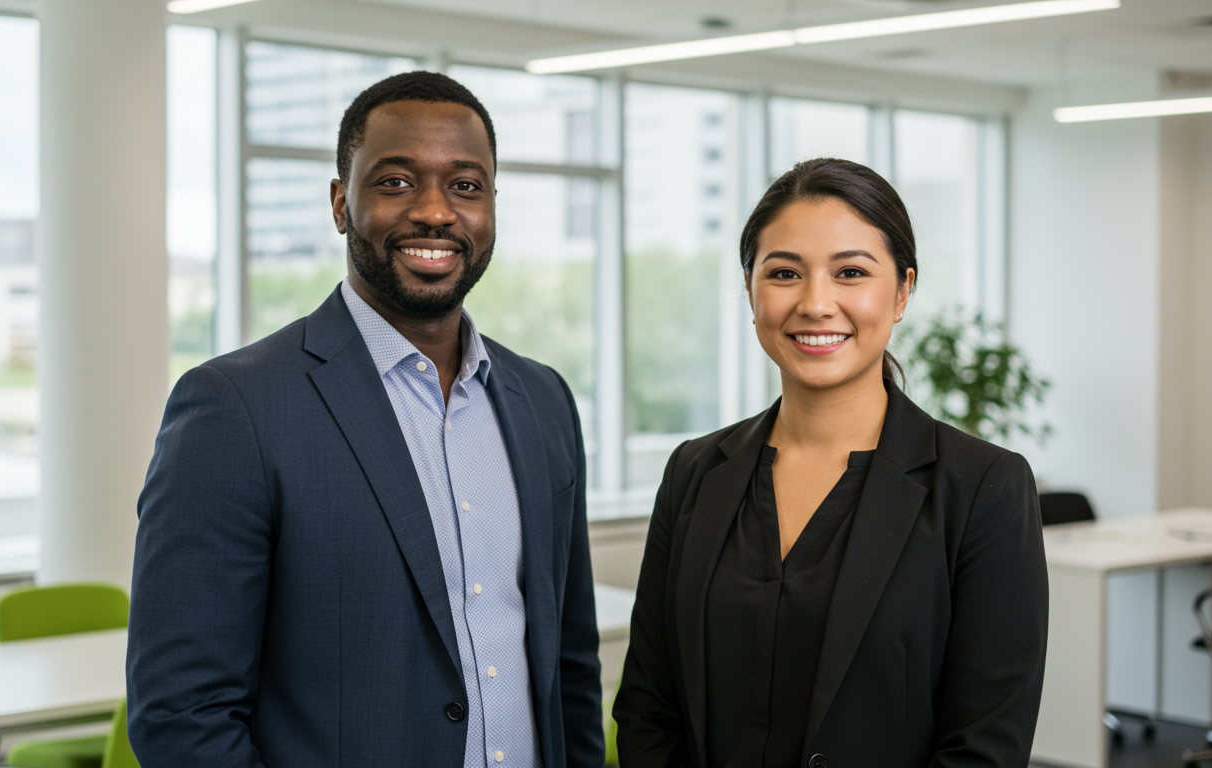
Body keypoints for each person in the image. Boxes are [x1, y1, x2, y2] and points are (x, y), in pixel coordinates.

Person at [127, 71, 605, 768]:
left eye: (466, 186)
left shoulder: (544, 401)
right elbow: (182, 717)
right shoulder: (235, 409)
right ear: (340, 203)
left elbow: (569, 667)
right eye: (397, 182)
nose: (436, 212)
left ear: (492, 205)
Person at [613, 158, 1048, 768]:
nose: (817, 304)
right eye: (786, 272)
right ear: (750, 290)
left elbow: (986, 744)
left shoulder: (982, 488)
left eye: (850, 273)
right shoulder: (694, 472)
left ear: (901, 292)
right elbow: (648, 707)